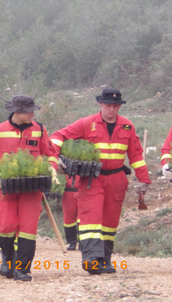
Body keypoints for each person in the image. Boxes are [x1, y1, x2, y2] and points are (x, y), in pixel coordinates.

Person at [50, 88, 151, 275]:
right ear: (101, 105)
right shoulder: (87, 123)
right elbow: (58, 136)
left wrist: (144, 180)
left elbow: (136, 155)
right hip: (92, 179)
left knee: (110, 223)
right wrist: (54, 159)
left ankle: (105, 260)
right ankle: (91, 259)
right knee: (90, 218)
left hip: (117, 179)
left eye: (115, 106)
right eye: (108, 105)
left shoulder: (128, 126)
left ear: (119, 106)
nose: (111, 109)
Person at [0, 94, 59, 281]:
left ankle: (22, 269)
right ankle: (7, 260)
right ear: (17, 112)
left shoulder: (39, 130)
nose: (33, 114)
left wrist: (52, 169)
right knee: (5, 226)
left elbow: (51, 153)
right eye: (29, 111)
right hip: (7, 187)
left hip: (32, 188)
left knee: (28, 228)